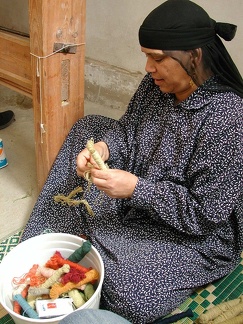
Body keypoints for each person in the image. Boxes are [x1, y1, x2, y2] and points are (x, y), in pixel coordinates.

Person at [20, 0, 243, 323]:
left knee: (128, 292)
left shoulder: (228, 117)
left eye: (158, 58)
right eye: (146, 57)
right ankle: (85, 238)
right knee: (89, 128)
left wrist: (136, 190)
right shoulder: (157, 85)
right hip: (139, 190)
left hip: (193, 233)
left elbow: (204, 215)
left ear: (194, 56)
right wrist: (104, 149)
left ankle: (90, 239)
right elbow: (128, 129)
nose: (149, 68)